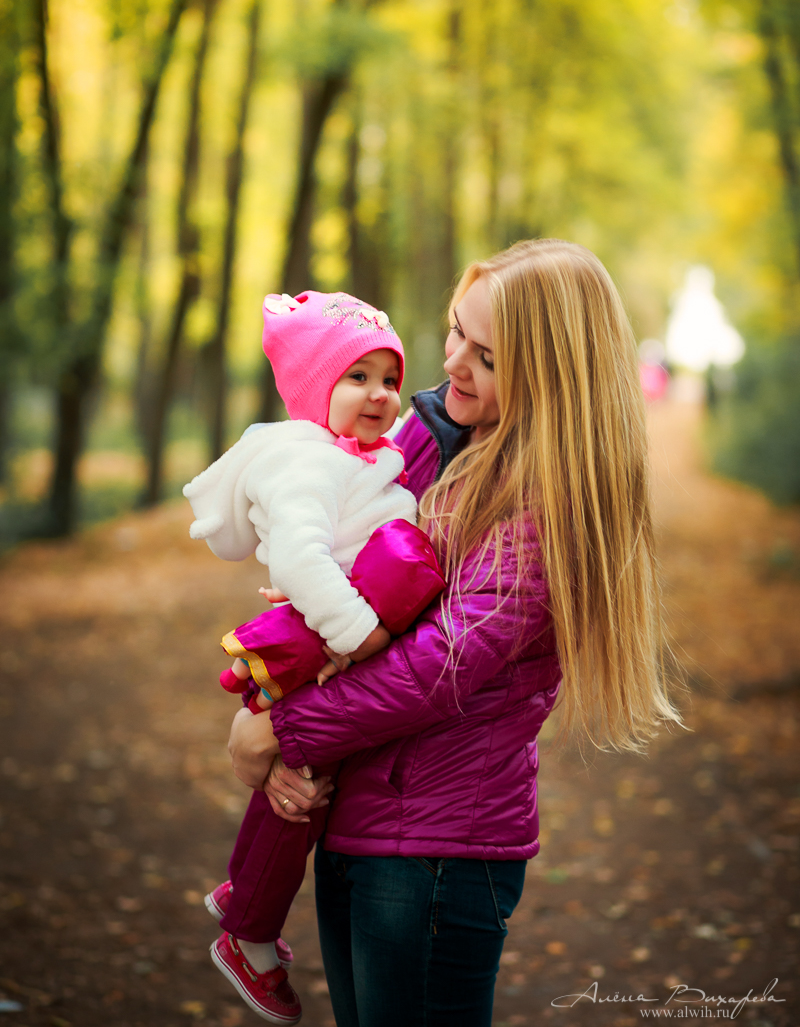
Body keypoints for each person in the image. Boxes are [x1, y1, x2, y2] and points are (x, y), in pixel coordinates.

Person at [227, 240, 681, 1027]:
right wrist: (283, 733)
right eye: (455, 332)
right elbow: (333, 561)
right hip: (356, 817)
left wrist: (280, 729)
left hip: (432, 853)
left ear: (552, 376)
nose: (453, 365)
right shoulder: (435, 433)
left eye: (488, 358)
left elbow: (434, 670)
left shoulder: (547, 502)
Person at [183, 290, 444, 1024]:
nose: (381, 394)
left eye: (388, 378)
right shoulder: (308, 464)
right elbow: (300, 558)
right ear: (311, 388)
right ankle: (250, 933)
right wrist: (360, 635)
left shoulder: (356, 456)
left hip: (326, 636)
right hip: (325, 642)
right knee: (302, 790)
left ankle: (244, 889)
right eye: (356, 377)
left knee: (301, 785)